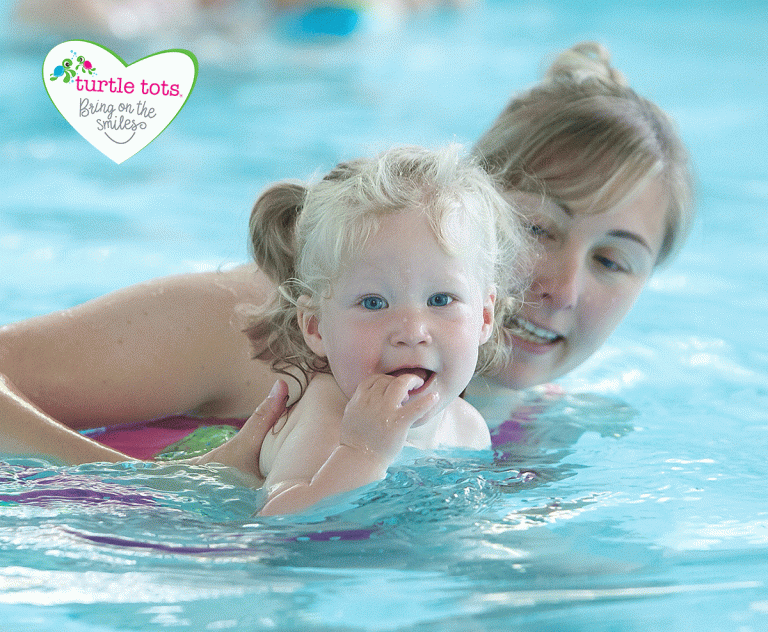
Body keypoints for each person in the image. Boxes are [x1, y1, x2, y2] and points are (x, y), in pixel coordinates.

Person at [0, 41, 694, 471]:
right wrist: (153, 491)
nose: (563, 288)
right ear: (473, 215)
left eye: (613, 261)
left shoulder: (529, 425)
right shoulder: (250, 325)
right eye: (540, 231)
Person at [240, 144, 526, 514]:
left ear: (484, 318)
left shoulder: (468, 429)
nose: (412, 331)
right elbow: (275, 522)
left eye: (441, 300)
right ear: (315, 327)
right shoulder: (327, 422)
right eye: (373, 303)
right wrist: (363, 454)